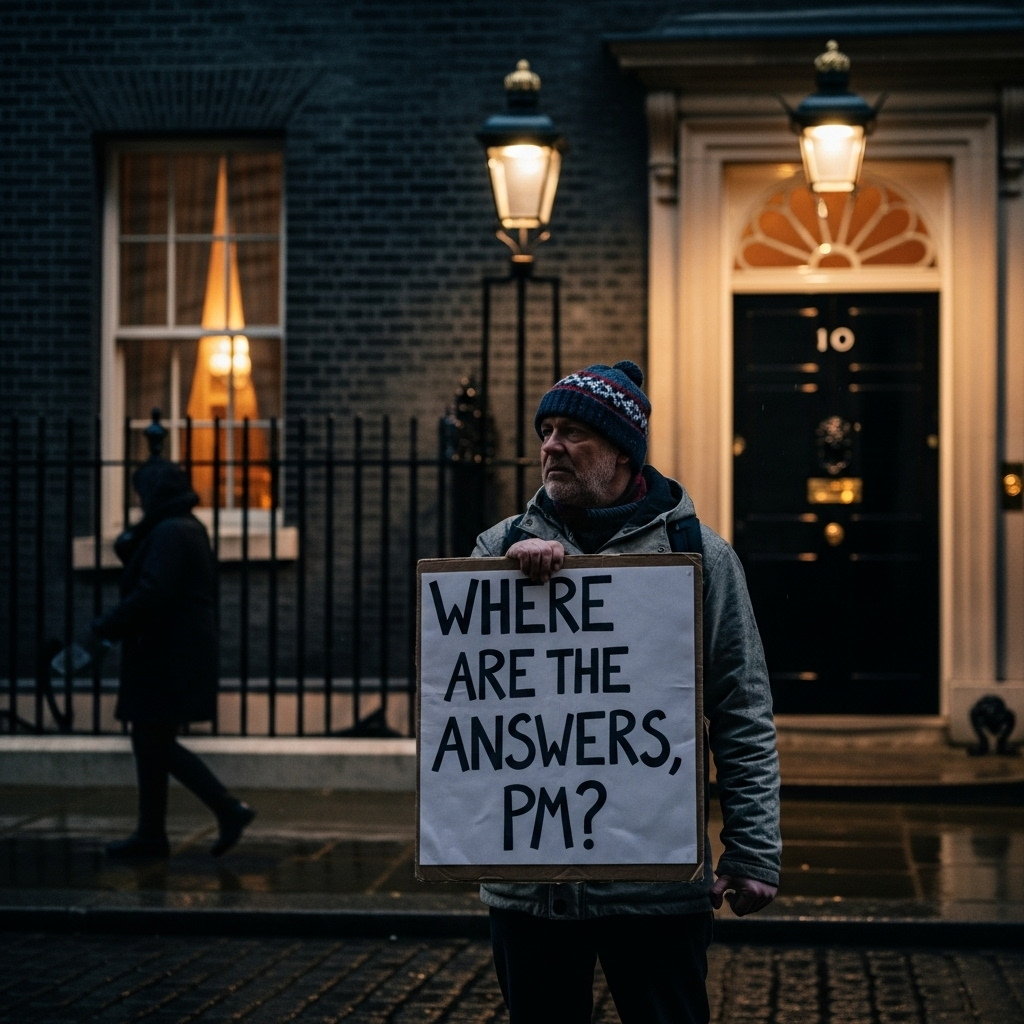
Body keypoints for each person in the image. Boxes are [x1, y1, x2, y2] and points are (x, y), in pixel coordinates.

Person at [472, 361, 781, 1024]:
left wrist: (753, 848)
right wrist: (506, 584)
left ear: (620, 451)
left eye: (573, 432)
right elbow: (463, 700)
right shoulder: (499, 547)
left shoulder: (699, 555)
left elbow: (741, 709)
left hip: (655, 888)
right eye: (546, 431)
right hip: (535, 890)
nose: (551, 446)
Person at [92, 457, 256, 858]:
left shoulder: (171, 532)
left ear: (153, 493)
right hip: (172, 652)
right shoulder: (181, 528)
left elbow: (152, 593)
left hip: (166, 655)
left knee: (154, 741)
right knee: (150, 739)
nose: (138, 502)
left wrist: (107, 625)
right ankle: (152, 833)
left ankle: (226, 808)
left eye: (141, 494)